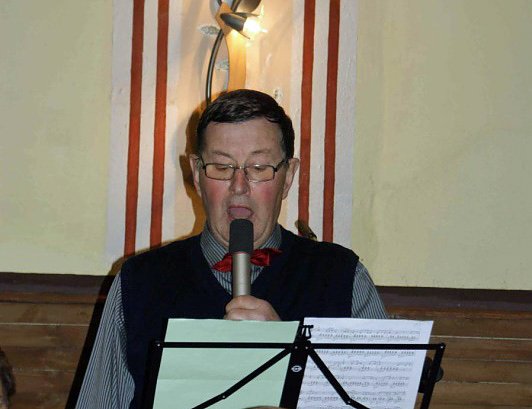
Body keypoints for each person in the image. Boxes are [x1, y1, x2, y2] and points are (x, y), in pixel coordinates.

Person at [75, 89, 387, 409]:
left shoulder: (343, 276)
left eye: (259, 167)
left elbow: (378, 401)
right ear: (197, 174)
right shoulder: (138, 281)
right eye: (222, 167)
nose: (239, 187)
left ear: (288, 177)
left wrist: (293, 357)